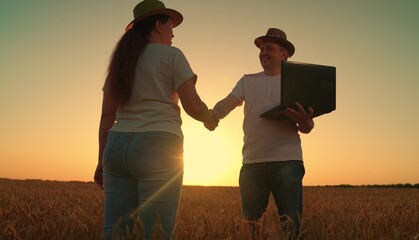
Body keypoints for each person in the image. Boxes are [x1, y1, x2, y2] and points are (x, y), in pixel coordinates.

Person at [93, 0, 218, 238]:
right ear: (159, 26)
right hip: (159, 146)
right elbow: (192, 106)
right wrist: (210, 118)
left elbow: (107, 115)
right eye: (171, 26)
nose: (173, 33)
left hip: (117, 146)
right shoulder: (172, 55)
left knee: (116, 232)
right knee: (156, 233)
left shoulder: (121, 61)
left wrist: (102, 161)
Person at [211, 28, 314, 235]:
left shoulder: (295, 83)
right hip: (252, 164)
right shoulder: (248, 81)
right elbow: (229, 102)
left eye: (269, 48)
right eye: (261, 49)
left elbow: (307, 127)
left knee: (291, 227)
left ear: (283, 54)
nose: (263, 53)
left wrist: (304, 121)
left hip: (287, 162)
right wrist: (213, 114)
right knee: (250, 228)